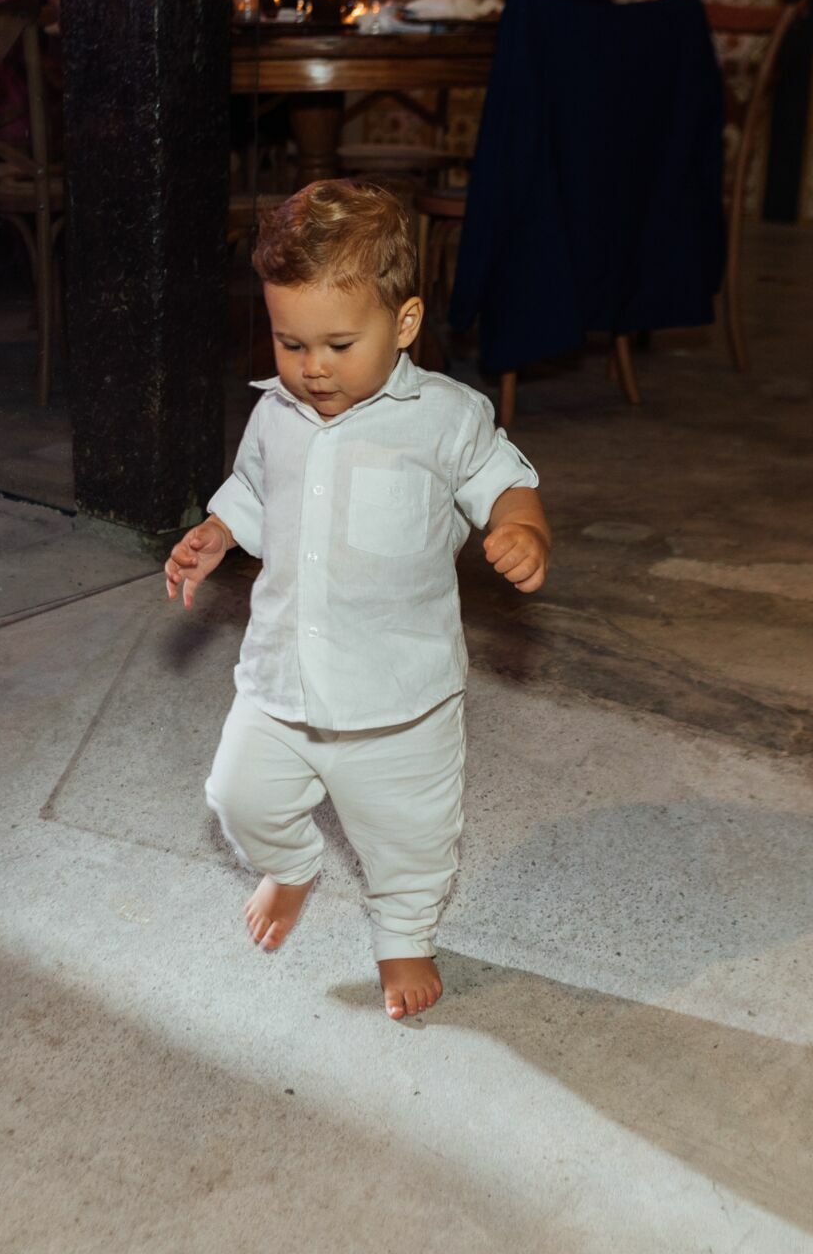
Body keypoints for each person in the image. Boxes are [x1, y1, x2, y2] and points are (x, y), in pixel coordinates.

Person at [165, 180, 552, 1021]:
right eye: (289, 341)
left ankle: (404, 936)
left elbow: (506, 481)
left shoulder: (446, 418)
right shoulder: (276, 413)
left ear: (404, 324)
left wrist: (524, 530)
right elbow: (253, 489)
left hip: (401, 699)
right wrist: (218, 534)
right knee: (238, 797)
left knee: (410, 839)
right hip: (284, 682)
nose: (311, 368)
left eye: (339, 343)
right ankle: (293, 865)